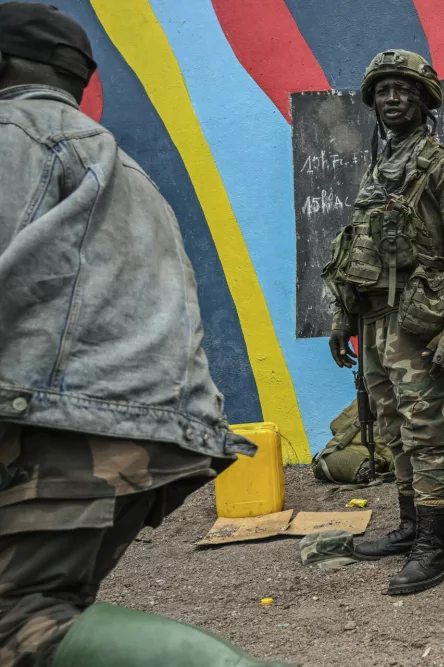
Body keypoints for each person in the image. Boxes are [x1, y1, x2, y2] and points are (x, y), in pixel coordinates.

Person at [0, 4, 292, 665]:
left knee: (21, 624)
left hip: (66, 428)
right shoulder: (122, 165)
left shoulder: (14, 133)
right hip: (154, 431)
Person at [326, 49, 444, 595]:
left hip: (418, 324)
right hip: (373, 321)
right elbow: (357, 250)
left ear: (423, 100)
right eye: (383, 91)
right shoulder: (378, 171)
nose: (392, 98)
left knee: (424, 432)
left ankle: (433, 547)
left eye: (404, 89)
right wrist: (342, 317)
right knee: (391, 429)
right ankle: (410, 527)